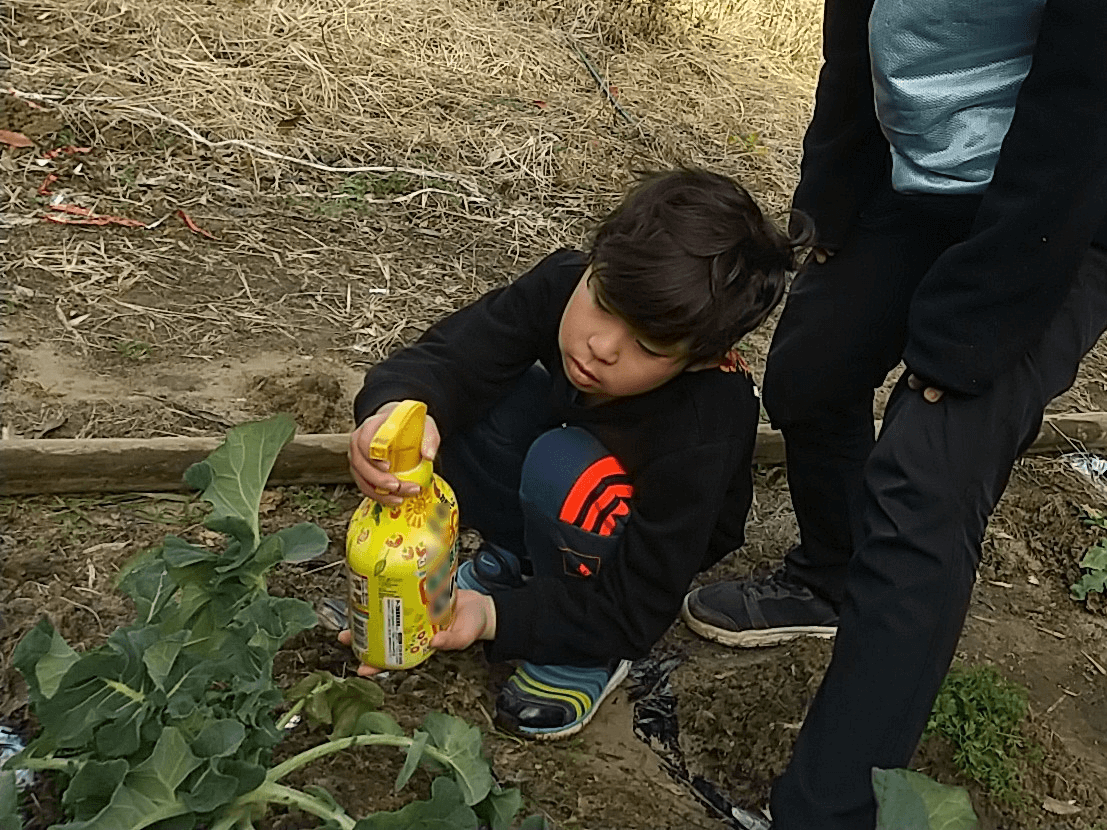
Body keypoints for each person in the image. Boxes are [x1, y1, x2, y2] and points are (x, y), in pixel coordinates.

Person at [680, 0, 1107, 827]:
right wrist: (832, 189)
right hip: (915, 177)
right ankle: (828, 579)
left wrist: (973, 326)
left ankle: (828, 810)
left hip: (1063, 209)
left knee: (924, 480)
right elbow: (855, 29)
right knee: (808, 372)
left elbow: (1083, 111)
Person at [341, 169, 808, 739]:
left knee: (563, 467)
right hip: (571, 487)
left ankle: (585, 653)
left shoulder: (706, 421)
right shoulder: (560, 283)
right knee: (469, 399)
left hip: (630, 554)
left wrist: (492, 618)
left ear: (702, 357)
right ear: (593, 264)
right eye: (602, 301)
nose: (602, 346)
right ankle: (520, 559)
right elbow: (453, 356)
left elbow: (640, 601)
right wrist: (392, 412)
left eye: (650, 345)